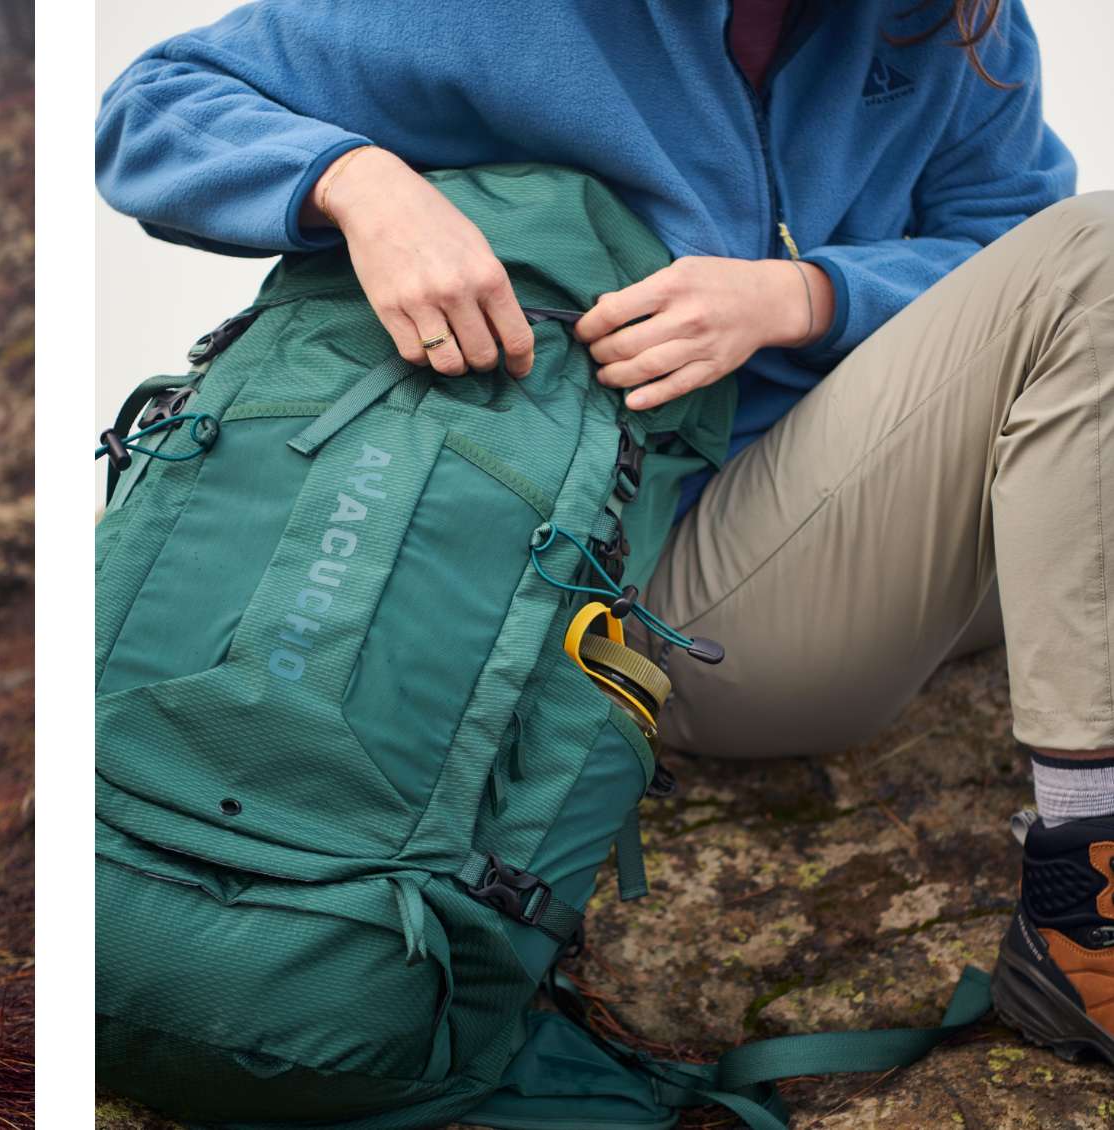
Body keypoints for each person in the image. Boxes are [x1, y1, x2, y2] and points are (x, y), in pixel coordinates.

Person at [98, 0, 1114, 1059]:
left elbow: (1014, 249)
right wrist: (361, 187)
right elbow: (152, 107)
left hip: (894, 499)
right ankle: (1087, 920)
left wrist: (809, 296)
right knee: (1102, 253)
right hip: (666, 592)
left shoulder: (950, 22)